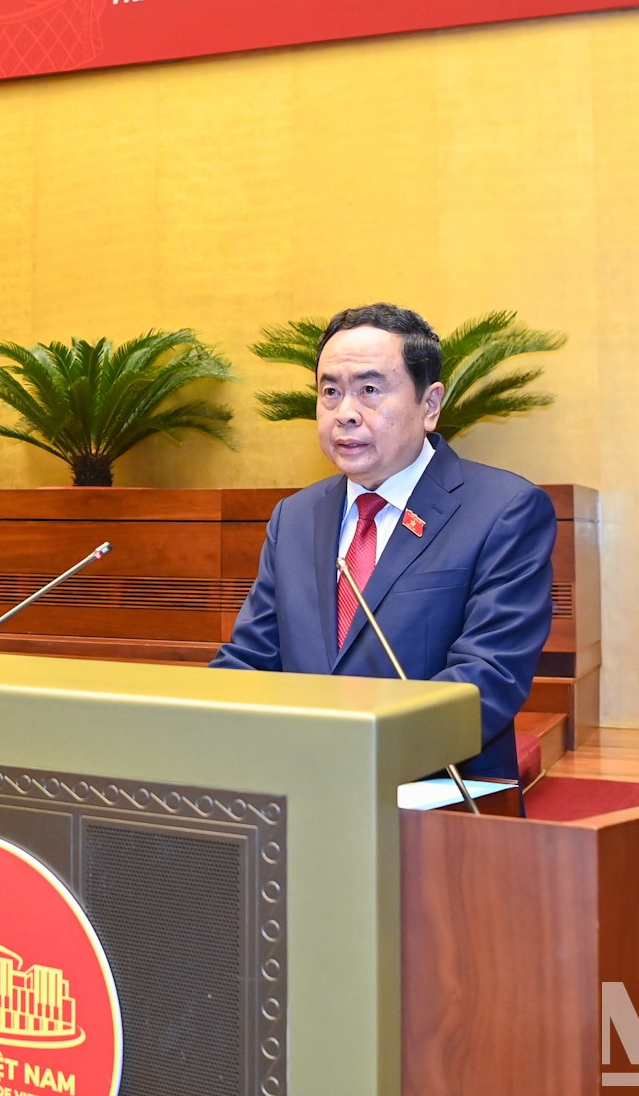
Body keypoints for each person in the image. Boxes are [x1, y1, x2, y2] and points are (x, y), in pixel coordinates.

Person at [212, 303, 555, 782]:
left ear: (429, 405)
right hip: (297, 789)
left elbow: (487, 678)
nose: (345, 413)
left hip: (435, 800)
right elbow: (252, 659)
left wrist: (349, 751)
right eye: (330, 392)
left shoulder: (504, 510)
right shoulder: (295, 517)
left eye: (369, 390)